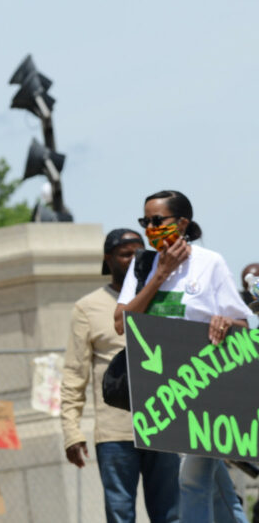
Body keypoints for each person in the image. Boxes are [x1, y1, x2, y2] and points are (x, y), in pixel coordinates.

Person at [115, 190, 252, 523]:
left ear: (182, 223)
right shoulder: (143, 265)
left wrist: (225, 321)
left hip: (206, 390)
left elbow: (244, 326)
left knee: (190, 478)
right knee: (215, 482)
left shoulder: (210, 263)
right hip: (164, 394)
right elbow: (121, 323)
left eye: (157, 220)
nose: (150, 228)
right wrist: (159, 275)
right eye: (145, 221)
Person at [62, 228, 179, 523]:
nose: (133, 259)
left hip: (164, 425)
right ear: (108, 259)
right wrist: (71, 431)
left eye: (138, 252)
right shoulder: (87, 307)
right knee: (120, 514)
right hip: (115, 433)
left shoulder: (165, 298)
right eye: (125, 254)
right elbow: (75, 373)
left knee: (171, 514)